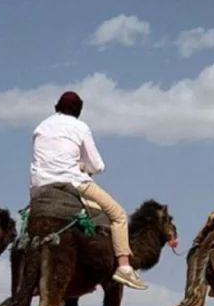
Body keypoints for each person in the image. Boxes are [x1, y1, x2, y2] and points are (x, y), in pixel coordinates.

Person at [29, 91, 147, 290]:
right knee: (118, 215)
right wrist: (83, 166)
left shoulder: (40, 127)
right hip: (73, 181)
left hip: (40, 185)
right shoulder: (80, 127)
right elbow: (98, 166)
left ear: (57, 107)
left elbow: (37, 161)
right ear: (78, 111)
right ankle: (125, 268)